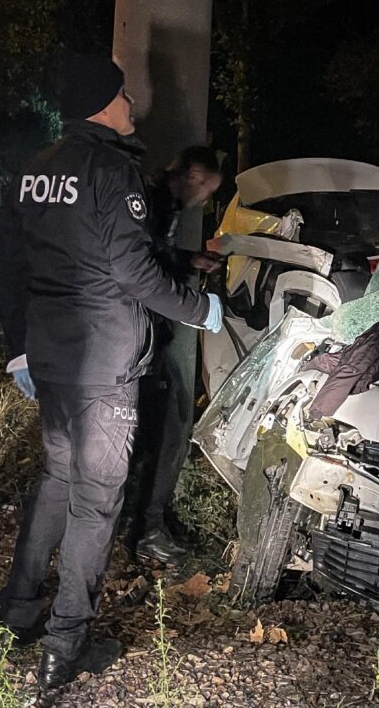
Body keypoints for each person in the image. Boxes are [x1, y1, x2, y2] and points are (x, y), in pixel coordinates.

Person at [0, 51, 224, 690]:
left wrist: (20, 350)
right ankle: (64, 649)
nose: (131, 106)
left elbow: (7, 270)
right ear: (101, 102)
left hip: (51, 360)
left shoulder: (34, 173)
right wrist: (200, 308)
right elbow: (133, 272)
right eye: (123, 96)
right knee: (96, 502)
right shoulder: (110, 172)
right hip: (102, 366)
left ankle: (16, 613)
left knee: (56, 481)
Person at [130, 146, 223, 566]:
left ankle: (136, 523)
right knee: (172, 426)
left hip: (143, 335)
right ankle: (146, 529)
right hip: (141, 335)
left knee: (159, 428)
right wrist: (198, 308)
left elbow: (156, 257)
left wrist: (189, 260)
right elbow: (142, 270)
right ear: (194, 174)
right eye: (206, 190)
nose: (204, 202)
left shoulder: (159, 202)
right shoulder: (152, 203)